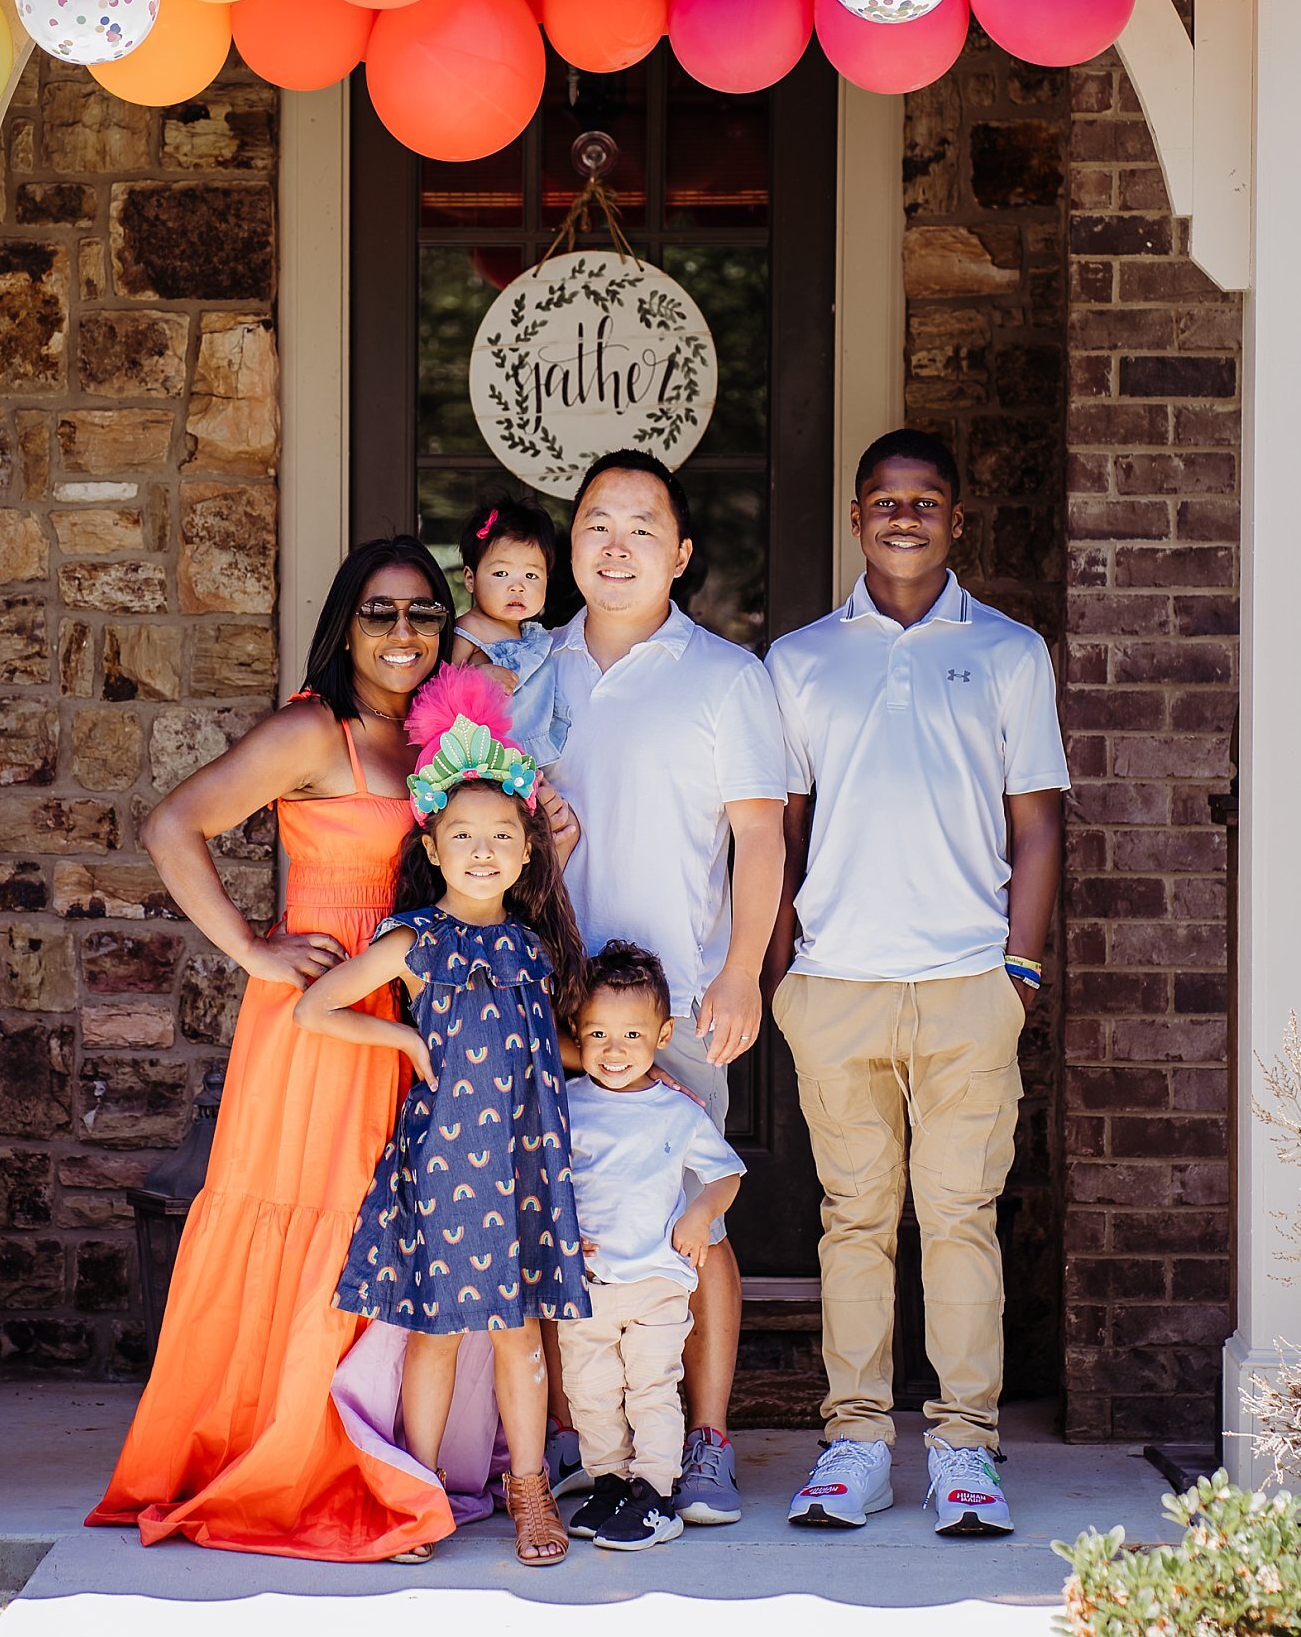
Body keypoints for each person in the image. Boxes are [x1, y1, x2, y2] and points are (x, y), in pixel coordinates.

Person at [89, 538, 484, 1559]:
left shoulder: (446, 737)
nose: (404, 632)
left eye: (424, 613)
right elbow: (174, 824)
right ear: (345, 626)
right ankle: (296, 1449)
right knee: (325, 1217)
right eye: (381, 612)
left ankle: (387, 1443)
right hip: (318, 1014)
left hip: (415, 1004)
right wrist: (253, 951)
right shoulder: (315, 729)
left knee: (399, 1221)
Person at [763, 429, 1067, 1538]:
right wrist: (780, 966)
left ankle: (964, 1450)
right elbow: (781, 834)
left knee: (959, 1217)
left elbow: (1037, 827)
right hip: (836, 979)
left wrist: (1018, 972)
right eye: (884, 501)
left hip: (965, 983)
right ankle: (854, 1445)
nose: (904, 516)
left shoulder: (1009, 651)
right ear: (855, 517)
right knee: (854, 1219)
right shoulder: (797, 661)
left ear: (955, 517)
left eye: (925, 500)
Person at [299, 664, 590, 1568]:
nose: (481, 850)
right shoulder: (415, 940)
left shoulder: (535, 946)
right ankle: (417, 1491)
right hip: (444, 1165)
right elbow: (315, 1009)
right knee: (433, 1330)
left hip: (522, 1164)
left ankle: (530, 1490)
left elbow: (547, 1047)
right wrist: (400, 1044)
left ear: (528, 851)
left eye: (502, 835)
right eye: (461, 833)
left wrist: (639, 1073)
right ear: (429, 845)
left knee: (520, 1336)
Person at [544, 449, 787, 1525]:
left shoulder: (727, 676)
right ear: (571, 544)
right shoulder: (525, 674)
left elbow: (761, 835)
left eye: (644, 525)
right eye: (598, 521)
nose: (617, 542)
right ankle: (580, 1433)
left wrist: (743, 971)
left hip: (681, 1007)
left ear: (681, 553)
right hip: (552, 1009)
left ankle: (707, 1439)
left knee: (696, 1223)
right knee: (560, 1218)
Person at [560, 943, 745, 1552]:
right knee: (589, 1393)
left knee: (650, 1390)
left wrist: (700, 1213)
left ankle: (656, 1495)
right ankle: (611, 1483)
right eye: (598, 1035)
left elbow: (725, 1174)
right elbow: (543, 1178)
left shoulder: (677, 1112)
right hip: (586, 1288)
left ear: (664, 1035)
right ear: (577, 1034)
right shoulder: (567, 1105)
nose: (614, 1052)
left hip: (657, 1286)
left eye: (632, 1035)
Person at [450, 494, 569, 768]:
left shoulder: (535, 638)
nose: (518, 587)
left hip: (529, 761)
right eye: (501, 574)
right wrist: (476, 677)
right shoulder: (469, 628)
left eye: (531, 576)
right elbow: (438, 687)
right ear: (470, 578)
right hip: (482, 757)